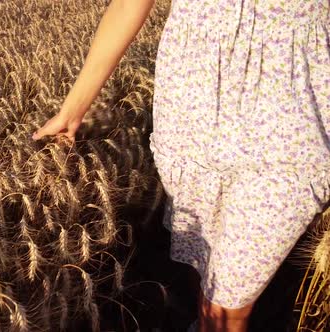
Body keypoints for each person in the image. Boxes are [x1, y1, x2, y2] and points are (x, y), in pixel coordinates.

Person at [32, 0, 330, 331]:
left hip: (291, 128)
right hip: (192, 115)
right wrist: (72, 110)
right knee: (207, 276)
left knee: (228, 306)